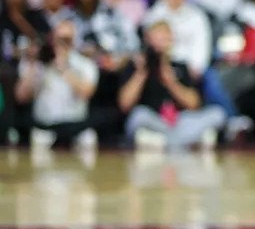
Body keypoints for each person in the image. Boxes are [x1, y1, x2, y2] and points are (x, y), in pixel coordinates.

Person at [118, 21, 226, 150]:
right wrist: (141, 73)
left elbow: (194, 104)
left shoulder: (180, 66)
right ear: (148, 39)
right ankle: (190, 140)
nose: (160, 45)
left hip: (179, 121)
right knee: (138, 116)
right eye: (157, 39)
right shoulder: (136, 67)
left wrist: (171, 82)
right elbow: (124, 104)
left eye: (164, 39)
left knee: (217, 114)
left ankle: (161, 142)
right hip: (154, 119)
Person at [16, 20, 99, 150]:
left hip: (76, 127)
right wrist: (34, 64)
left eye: (66, 40)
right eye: (58, 39)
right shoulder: (39, 63)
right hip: (45, 127)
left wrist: (64, 69)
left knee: (89, 139)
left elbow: (86, 93)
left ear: (74, 41)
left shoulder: (85, 64)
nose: (61, 44)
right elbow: (21, 96)